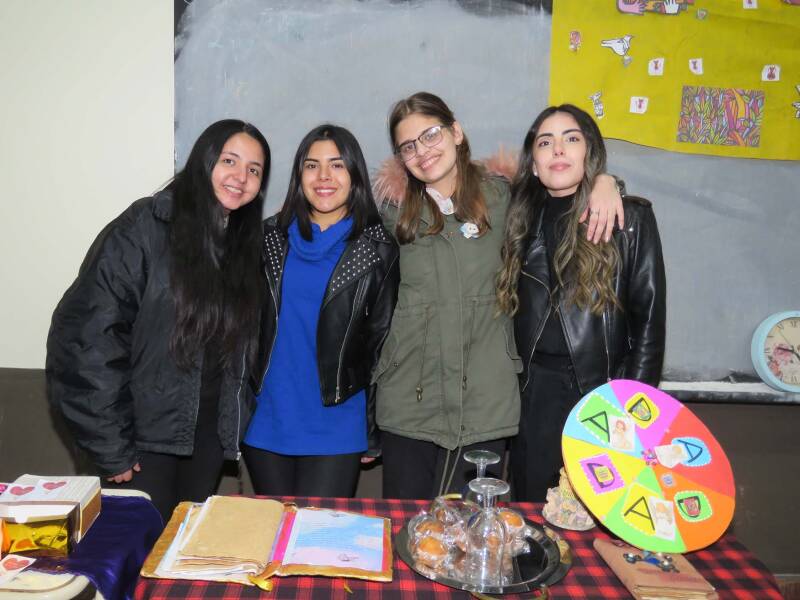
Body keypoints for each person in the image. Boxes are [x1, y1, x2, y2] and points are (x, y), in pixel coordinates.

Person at [372, 92, 626, 499]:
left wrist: (605, 181)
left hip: (485, 403)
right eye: (408, 146)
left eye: (431, 135)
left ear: (456, 132)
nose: (422, 151)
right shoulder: (392, 213)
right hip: (409, 402)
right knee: (408, 526)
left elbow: (561, 184)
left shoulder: (506, 198)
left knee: (472, 529)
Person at [46, 120, 270, 522]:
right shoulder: (146, 226)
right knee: (136, 553)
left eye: (254, 169)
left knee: (182, 551)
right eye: (229, 161)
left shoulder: (241, 246)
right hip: (140, 442)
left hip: (204, 443)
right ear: (203, 161)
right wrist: (110, 444)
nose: (241, 176)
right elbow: (87, 337)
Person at [497, 104, 666, 502]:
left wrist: (631, 411)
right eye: (545, 142)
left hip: (603, 396)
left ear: (589, 151)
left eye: (571, 139)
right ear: (534, 164)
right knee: (534, 515)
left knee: (598, 513)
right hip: (532, 398)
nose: (558, 150)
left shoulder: (629, 219)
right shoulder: (516, 219)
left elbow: (649, 325)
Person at [244, 125, 399, 498]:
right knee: (274, 529)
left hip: (337, 421)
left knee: (319, 530)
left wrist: (372, 427)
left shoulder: (378, 248)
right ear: (299, 176)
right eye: (312, 165)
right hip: (267, 418)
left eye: (337, 165)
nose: (324, 176)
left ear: (355, 175)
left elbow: (381, 345)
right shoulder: (267, 238)